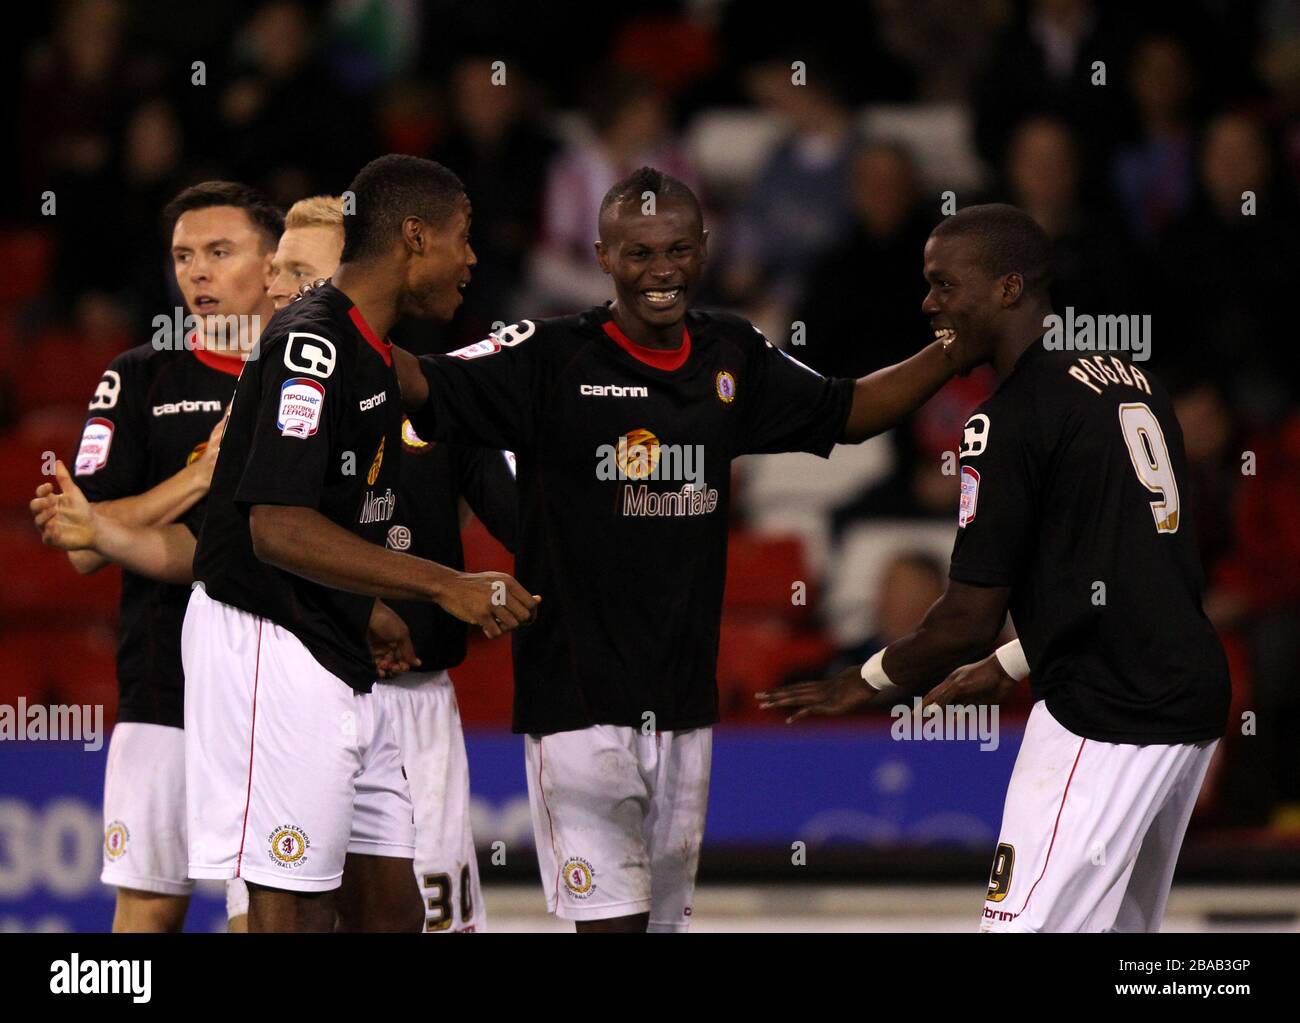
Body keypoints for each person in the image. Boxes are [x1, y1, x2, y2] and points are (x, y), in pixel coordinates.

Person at [393, 164, 967, 932]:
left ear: (704, 247)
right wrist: (332, 323)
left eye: (677, 250)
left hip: (684, 705)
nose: (661, 272)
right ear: (601, 255)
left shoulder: (732, 352)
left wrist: (957, 348)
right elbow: (423, 385)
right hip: (577, 704)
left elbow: (852, 410)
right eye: (638, 254)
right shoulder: (545, 355)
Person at [759, 204, 1230, 933]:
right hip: (1187, 694)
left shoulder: (1005, 418)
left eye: (945, 284)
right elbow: (1135, 572)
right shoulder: (1134, 382)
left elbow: (962, 619)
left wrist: (865, 679)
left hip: (1106, 708)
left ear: (1009, 289)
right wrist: (1013, 659)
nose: (930, 303)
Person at [181, 155, 537, 933]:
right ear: (414, 237)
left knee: (394, 910)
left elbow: (335, 513)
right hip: (265, 637)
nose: (471, 258)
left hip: (333, 637)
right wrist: (441, 582)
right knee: (291, 907)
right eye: (461, 237)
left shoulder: (373, 352)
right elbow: (276, 525)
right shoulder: (309, 345)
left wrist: (366, 603)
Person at [29, 181, 281, 932]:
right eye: (183, 257)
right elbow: (81, 543)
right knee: (146, 910)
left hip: (272, 690)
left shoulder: (310, 382)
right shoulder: (138, 376)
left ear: (273, 266)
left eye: (219, 252)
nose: (196, 273)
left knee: (265, 911)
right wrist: (199, 477)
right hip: (161, 681)